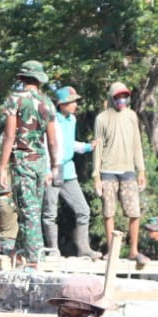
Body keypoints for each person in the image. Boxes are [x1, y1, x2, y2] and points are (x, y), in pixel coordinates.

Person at [0, 62, 59, 269]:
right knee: (33, 210)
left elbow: (9, 135)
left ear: (22, 79)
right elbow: (52, 140)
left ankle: (35, 260)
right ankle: (18, 253)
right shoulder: (47, 102)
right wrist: (54, 165)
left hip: (22, 160)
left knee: (29, 212)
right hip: (41, 162)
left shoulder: (15, 100)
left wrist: (2, 166)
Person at [91, 82, 148, 268]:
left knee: (134, 212)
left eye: (124, 96)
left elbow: (137, 143)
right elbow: (97, 148)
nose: (121, 100)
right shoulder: (101, 118)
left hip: (128, 170)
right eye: (117, 97)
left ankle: (133, 250)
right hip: (107, 171)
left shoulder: (132, 116)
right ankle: (111, 250)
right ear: (111, 98)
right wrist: (96, 176)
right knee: (108, 212)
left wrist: (141, 170)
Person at [45, 86, 98, 260]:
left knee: (83, 210)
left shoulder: (72, 120)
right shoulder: (52, 120)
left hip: (68, 170)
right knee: (50, 213)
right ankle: (53, 250)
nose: (75, 105)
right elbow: (47, 145)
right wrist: (47, 169)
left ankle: (84, 247)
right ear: (62, 104)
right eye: (72, 102)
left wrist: (87, 146)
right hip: (53, 169)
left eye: (75, 101)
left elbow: (69, 144)